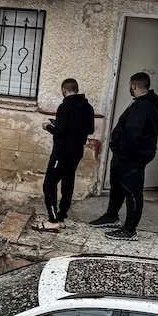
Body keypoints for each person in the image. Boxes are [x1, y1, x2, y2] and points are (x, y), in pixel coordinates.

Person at [89, 72, 158, 241]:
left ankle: (130, 230)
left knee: (132, 191)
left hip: (132, 156)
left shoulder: (144, 106)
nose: (129, 88)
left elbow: (133, 133)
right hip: (126, 155)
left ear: (135, 86)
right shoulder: (143, 103)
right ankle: (111, 216)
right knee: (117, 185)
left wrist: (121, 150)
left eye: (130, 85)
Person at [38, 79, 95, 231]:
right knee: (67, 183)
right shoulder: (88, 107)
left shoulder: (65, 106)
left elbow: (61, 131)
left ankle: (53, 220)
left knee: (49, 184)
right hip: (77, 152)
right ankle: (61, 216)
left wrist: (48, 126)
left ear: (64, 90)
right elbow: (90, 129)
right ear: (76, 89)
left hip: (61, 152)